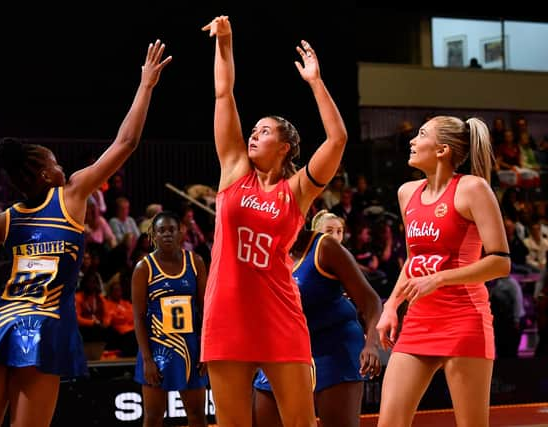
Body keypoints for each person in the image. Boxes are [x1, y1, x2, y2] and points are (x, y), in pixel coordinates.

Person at [0, 40, 171, 427]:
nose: (61, 164)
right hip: (43, 322)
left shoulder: (4, 220)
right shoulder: (73, 195)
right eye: (55, 160)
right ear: (47, 174)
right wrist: (146, 85)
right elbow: (126, 143)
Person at [200, 15, 348, 427]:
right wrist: (225, 42)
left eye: (263, 132)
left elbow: (337, 140)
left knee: (301, 421)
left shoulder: (299, 189)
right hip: (226, 312)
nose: (253, 134)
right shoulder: (233, 170)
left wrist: (316, 82)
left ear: (283, 147)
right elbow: (223, 93)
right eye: (254, 129)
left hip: (279, 314)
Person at [375, 115, 511, 427]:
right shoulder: (406, 192)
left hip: (464, 319)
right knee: (389, 422)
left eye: (421, 134)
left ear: (442, 150)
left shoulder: (473, 189)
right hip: (419, 321)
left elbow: (501, 261)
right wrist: (391, 305)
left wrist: (439, 279)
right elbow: (412, 261)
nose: (411, 140)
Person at [252, 220, 383, 427]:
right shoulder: (263, 252)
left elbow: (371, 301)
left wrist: (371, 345)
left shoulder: (325, 247)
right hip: (286, 350)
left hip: (333, 346)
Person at [131, 211, 208, 427]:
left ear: (180, 233)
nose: (167, 234)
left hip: (190, 349)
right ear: (153, 235)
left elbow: (205, 309)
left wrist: (205, 349)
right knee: (154, 416)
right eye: (161, 230)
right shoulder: (143, 268)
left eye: (171, 230)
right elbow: (138, 317)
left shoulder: (196, 262)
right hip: (157, 350)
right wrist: (147, 359)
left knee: (196, 414)